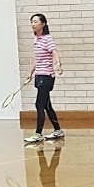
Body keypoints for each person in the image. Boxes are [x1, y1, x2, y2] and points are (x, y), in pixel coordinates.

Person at [24, 13, 64, 144]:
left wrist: (58, 65)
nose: (33, 24)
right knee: (47, 105)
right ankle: (58, 130)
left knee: (39, 104)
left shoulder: (48, 39)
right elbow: (37, 59)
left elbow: (54, 52)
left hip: (47, 76)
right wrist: (30, 73)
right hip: (39, 75)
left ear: (43, 24)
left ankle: (38, 134)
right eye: (31, 22)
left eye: (35, 22)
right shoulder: (36, 40)